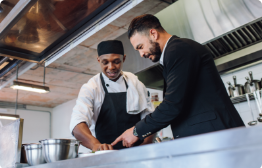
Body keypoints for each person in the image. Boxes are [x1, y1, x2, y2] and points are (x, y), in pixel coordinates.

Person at [112, 14, 245, 148]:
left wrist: (136, 131)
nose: (141, 54)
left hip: (217, 137)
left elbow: (173, 104)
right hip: (209, 139)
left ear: (153, 34)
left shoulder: (178, 50)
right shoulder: (173, 54)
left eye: (140, 47)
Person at [70, 40, 155, 151]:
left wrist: (147, 142)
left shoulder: (135, 83)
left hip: (138, 151)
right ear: (98, 60)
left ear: (123, 59)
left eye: (116, 61)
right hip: (107, 153)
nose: (111, 67)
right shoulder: (91, 87)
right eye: (105, 62)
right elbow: (77, 124)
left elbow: (149, 117)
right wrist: (95, 145)